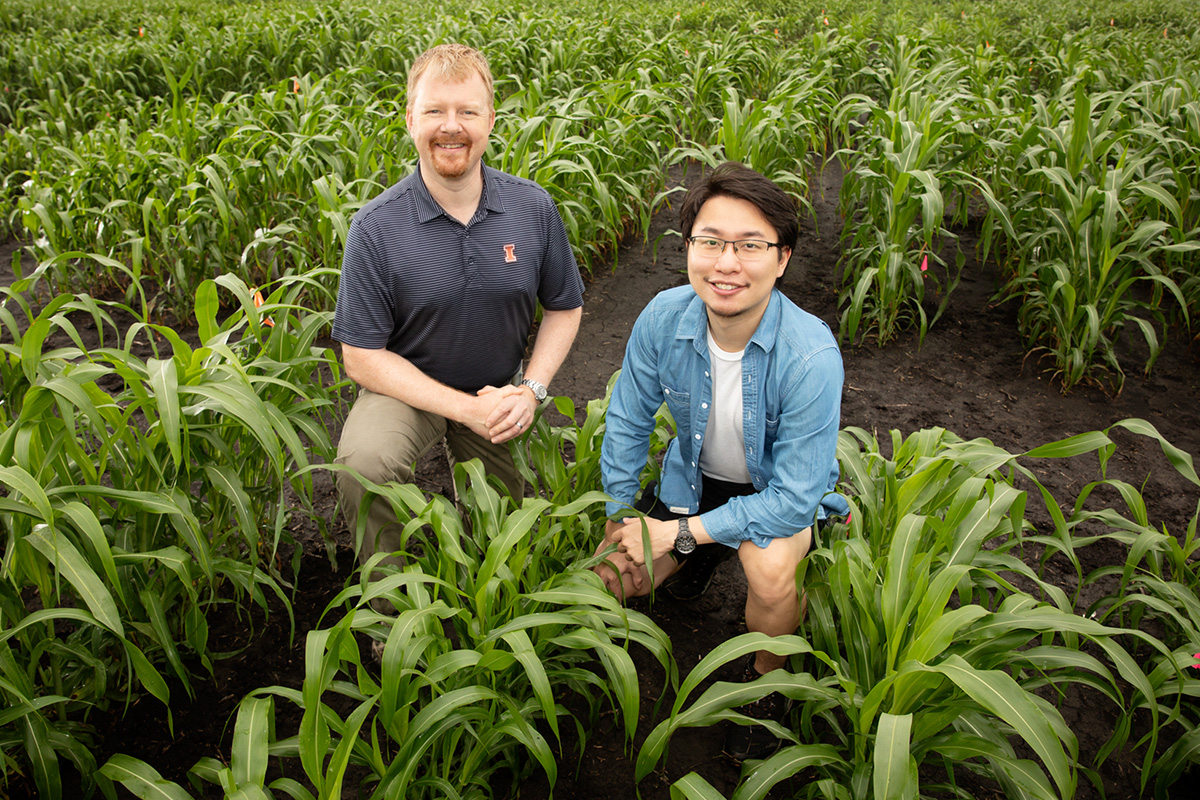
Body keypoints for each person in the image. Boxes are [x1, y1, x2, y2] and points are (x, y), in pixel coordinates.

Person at [594, 161, 848, 763]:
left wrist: (675, 532)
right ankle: (701, 554)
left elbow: (792, 498)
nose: (726, 264)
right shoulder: (664, 316)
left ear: (782, 259)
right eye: (709, 242)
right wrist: (619, 511)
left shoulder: (810, 355)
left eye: (749, 246)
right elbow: (628, 418)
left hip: (773, 498)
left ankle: (766, 683)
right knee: (612, 580)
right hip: (693, 484)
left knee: (769, 576)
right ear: (688, 248)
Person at [333, 43, 584, 572]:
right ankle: (391, 602)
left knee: (502, 537)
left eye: (467, 111)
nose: (452, 127)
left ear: (490, 120)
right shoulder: (376, 227)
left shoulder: (532, 207)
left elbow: (565, 306)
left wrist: (531, 391)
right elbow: (360, 356)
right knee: (365, 464)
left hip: (496, 390)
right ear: (409, 119)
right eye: (435, 111)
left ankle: (485, 592)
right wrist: (463, 408)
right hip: (409, 388)